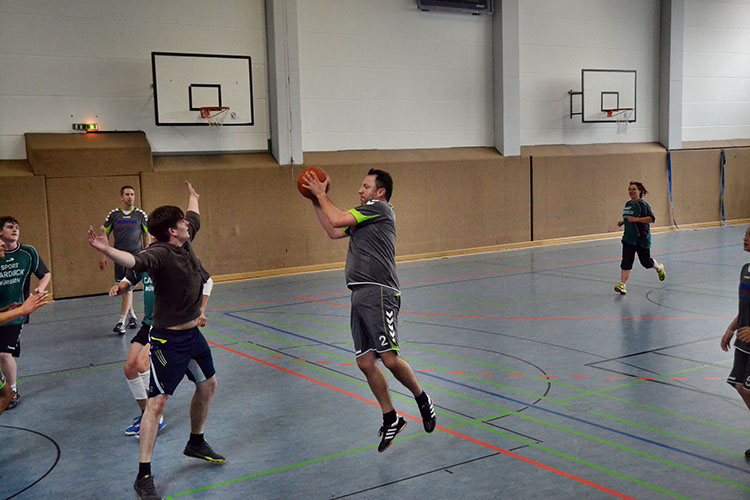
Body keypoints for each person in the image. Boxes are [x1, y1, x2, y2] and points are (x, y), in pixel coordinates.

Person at [89, 182, 222, 500]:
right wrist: (106, 250)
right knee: (157, 403)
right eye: (181, 223)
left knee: (208, 385)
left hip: (193, 335)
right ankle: (143, 476)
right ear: (171, 232)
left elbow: (194, 215)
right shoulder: (160, 253)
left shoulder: (185, 240)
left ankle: (196, 441)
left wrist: (193, 197)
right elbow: (135, 261)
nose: (187, 224)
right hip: (168, 340)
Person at [302, 168, 437, 453]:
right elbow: (333, 230)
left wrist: (322, 194)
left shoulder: (379, 208)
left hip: (380, 291)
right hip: (360, 293)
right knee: (365, 362)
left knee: (389, 358)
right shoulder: (365, 217)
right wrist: (315, 201)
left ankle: (422, 398)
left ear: (380, 192)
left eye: (365, 186)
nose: (360, 191)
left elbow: (337, 218)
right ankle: (391, 417)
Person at [112, 246, 214, 438]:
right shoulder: (144, 258)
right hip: (148, 323)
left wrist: (201, 310)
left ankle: (155, 416)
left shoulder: (177, 258)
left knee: (142, 364)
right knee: (130, 369)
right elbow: (129, 280)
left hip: (165, 326)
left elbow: (207, 281)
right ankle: (146, 414)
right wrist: (121, 288)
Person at [0, 216, 51, 409]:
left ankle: (12, 391)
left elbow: (45, 273)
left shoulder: (28, 253)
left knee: (4, 354)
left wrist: (41, 288)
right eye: (10, 227)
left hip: (16, 314)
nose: (15, 230)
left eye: (17, 227)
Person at [100, 185, 149, 334]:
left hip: (135, 258)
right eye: (127, 194)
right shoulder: (114, 215)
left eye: (132, 194)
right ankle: (132, 316)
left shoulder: (140, 215)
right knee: (124, 288)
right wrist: (103, 254)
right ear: (122, 197)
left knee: (128, 288)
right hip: (119, 257)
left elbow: (147, 234)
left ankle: (121, 322)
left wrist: (147, 251)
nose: (130, 197)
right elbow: (105, 235)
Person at [721, 225, 750, 457]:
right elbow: (745, 306)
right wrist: (731, 328)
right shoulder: (745, 269)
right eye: (746, 233)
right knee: (740, 386)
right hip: (743, 341)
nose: (745, 237)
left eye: (749, 234)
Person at [614, 181, 666, 294]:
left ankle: (659, 268)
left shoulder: (643, 204)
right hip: (628, 239)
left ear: (640, 191)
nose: (631, 191)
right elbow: (629, 217)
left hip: (641, 239)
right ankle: (622, 285)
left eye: (634, 189)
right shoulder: (628, 204)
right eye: (629, 189)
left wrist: (636, 220)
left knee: (646, 263)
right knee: (626, 262)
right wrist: (623, 222)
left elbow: (651, 218)